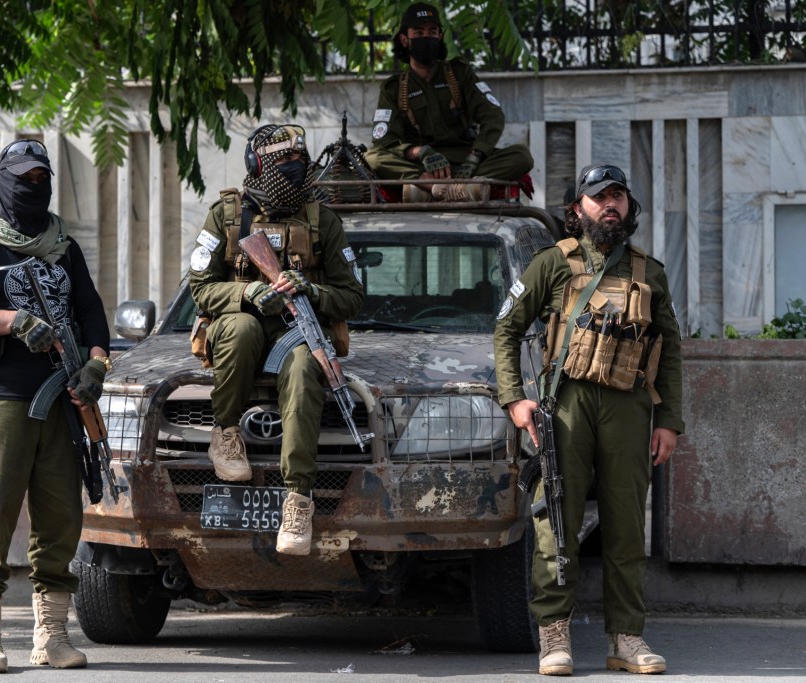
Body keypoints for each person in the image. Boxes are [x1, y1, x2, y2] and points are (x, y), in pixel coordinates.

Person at [493, 164, 684, 676]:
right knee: (557, 518)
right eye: (599, 197)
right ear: (577, 209)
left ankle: (627, 639)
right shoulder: (552, 264)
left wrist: (668, 418)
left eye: (618, 196)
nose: (611, 205)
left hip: (628, 407)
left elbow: (670, 351)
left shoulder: (650, 271)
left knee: (626, 528)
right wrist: (515, 399)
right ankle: (554, 637)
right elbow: (506, 330)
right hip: (566, 405)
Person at [0, 139, 111, 673]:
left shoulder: (64, 245)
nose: (34, 187)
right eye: (25, 178)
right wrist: (10, 321)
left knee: (60, 519)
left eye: (43, 178)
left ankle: (52, 636)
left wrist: (96, 368)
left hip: (63, 399)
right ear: (4, 178)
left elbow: (92, 316)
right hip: (2, 399)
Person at [188, 123, 364, 556]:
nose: (294, 167)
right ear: (258, 165)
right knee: (243, 328)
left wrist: (311, 291)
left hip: (297, 328)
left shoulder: (323, 219)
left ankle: (297, 499)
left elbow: (353, 296)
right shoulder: (226, 215)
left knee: (307, 367)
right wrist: (246, 292)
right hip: (242, 323)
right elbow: (200, 287)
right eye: (282, 160)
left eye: (299, 160)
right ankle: (226, 433)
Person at [363, 3, 534, 201]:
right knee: (373, 157)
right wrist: (420, 152)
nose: (426, 37)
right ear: (405, 39)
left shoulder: (460, 74)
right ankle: (435, 185)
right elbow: (384, 140)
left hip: (465, 159)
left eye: (432, 32)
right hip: (423, 165)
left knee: (521, 156)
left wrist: (474, 157)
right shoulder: (394, 88)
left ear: (440, 36)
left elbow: (493, 116)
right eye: (418, 33)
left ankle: (442, 188)